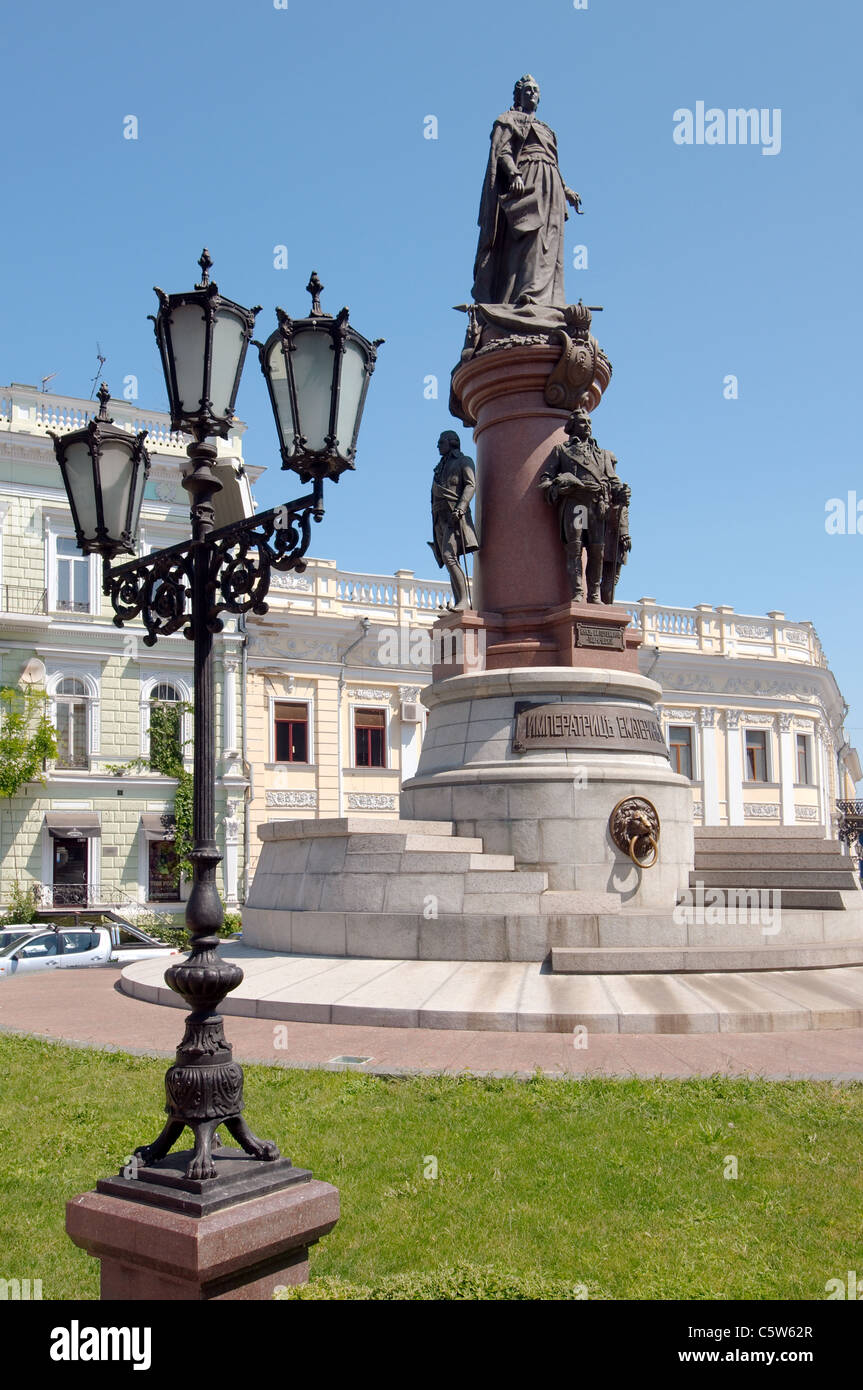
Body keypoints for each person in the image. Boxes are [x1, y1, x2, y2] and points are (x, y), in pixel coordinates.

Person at [472, 74, 582, 310]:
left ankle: (547, 301)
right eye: (527, 90)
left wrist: (566, 190)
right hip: (527, 179)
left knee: (549, 241)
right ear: (519, 95)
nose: (532, 93)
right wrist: (513, 174)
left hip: (550, 184)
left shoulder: (547, 129)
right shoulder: (509, 120)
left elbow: (553, 162)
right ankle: (522, 295)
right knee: (527, 238)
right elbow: (503, 152)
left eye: (535, 89)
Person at [539, 407, 630, 604]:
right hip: (576, 504)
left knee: (597, 550)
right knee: (575, 548)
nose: (587, 425)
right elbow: (545, 479)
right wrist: (559, 486)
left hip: (597, 506)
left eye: (589, 422)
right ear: (572, 427)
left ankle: (594, 594)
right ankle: (578, 592)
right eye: (582, 422)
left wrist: (621, 492)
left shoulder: (603, 454)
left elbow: (614, 482)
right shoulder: (562, 451)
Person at [428, 431, 479, 611]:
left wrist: (461, 507)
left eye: (441, 441)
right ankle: (459, 601)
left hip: (454, 515)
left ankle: (465, 600)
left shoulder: (464, 461)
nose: (438, 445)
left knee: (450, 556)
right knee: (448, 558)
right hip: (439, 517)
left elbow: (471, 485)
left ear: (452, 442)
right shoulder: (439, 467)